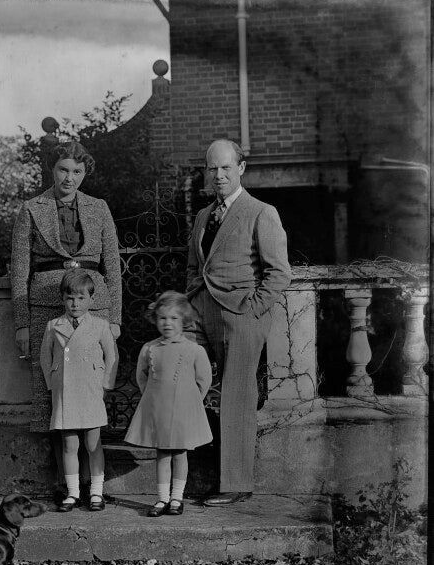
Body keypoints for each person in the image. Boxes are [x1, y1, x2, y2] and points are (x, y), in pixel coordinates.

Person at [11, 140, 122, 500]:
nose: (69, 177)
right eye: (63, 169)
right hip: (46, 305)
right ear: (52, 170)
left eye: (76, 171)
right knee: (53, 398)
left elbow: (113, 266)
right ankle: (66, 485)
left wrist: (115, 317)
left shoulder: (99, 207)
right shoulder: (31, 209)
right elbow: (19, 271)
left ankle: (96, 486)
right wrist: (23, 323)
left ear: (85, 172)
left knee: (92, 392)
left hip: (94, 305)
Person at [186, 139, 291, 506]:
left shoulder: (262, 212)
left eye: (226, 167)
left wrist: (253, 310)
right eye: (212, 168)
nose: (219, 175)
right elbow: (194, 267)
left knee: (236, 396)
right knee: (185, 384)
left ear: (241, 169)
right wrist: (192, 299)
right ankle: (184, 476)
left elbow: (279, 273)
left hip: (242, 315)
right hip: (203, 313)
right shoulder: (203, 215)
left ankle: (235, 484)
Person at [124, 291, 212, 517]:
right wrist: (154, 398)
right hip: (159, 410)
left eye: (174, 318)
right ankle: (162, 499)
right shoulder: (150, 348)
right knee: (162, 453)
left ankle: (177, 498)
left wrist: (190, 401)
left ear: (183, 320)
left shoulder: (194, 350)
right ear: (155, 320)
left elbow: (204, 380)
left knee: (180, 452)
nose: (168, 323)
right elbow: (142, 377)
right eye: (163, 318)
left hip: (184, 410)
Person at [39, 270, 118, 512]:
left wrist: (105, 385)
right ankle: (73, 493)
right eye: (70, 298)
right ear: (62, 299)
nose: (75, 303)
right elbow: (45, 357)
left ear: (91, 300)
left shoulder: (100, 326)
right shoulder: (54, 325)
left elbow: (112, 355)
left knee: (93, 444)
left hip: (90, 390)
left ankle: (96, 492)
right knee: (69, 445)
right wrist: (53, 384)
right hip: (65, 392)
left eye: (81, 298)